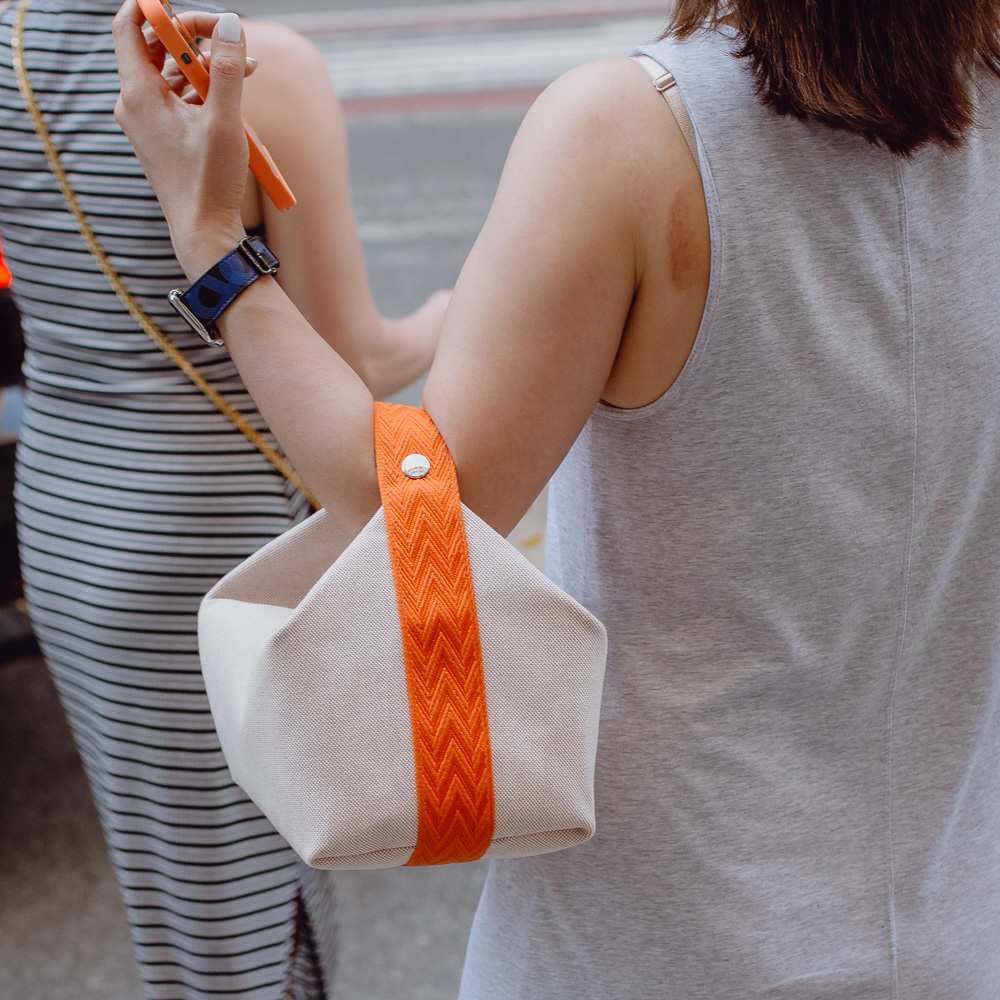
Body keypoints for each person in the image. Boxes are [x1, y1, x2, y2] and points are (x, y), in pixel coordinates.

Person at [114, 0, 1000, 997]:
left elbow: (418, 508)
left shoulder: (632, 133)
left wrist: (211, 242)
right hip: (953, 929)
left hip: (651, 942)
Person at [0, 1, 447, 996]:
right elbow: (355, 359)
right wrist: (451, 318)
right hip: (220, 540)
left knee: (184, 901)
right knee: (256, 914)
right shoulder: (252, 68)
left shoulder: (12, 46)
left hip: (69, 522)